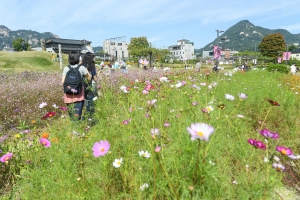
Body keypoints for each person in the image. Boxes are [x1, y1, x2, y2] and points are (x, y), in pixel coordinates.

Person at [61, 51, 90, 121]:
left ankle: (73, 127)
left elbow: (63, 82)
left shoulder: (66, 68)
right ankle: (77, 127)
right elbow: (89, 78)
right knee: (77, 114)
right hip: (79, 94)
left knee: (71, 116)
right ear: (78, 58)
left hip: (68, 94)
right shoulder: (82, 68)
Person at [81, 52, 99, 121]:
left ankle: (85, 116)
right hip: (90, 86)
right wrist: (99, 74)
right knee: (91, 102)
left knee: (86, 101)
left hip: (83, 86)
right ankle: (90, 117)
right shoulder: (91, 65)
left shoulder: (82, 65)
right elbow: (95, 78)